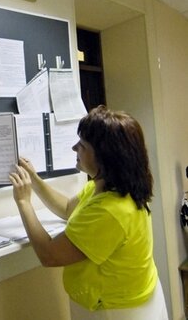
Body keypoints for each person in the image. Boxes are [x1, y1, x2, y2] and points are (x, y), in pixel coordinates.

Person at [9, 105, 168, 320]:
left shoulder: (111, 210)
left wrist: (23, 202)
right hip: (127, 297)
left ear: (104, 158)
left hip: (118, 309)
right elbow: (68, 208)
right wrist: (34, 180)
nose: (74, 148)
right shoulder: (106, 186)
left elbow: (49, 255)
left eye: (82, 145)